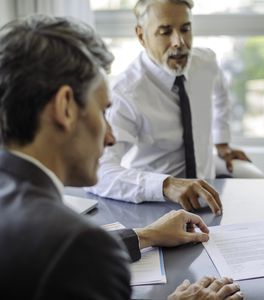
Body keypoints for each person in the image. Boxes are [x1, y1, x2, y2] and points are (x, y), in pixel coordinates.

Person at [0, 15, 243, 299]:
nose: (111, 136)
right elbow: (74, 252)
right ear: (65, 107)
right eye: (103, 111)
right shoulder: (78, 246)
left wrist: (146, 235)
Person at [87, 0, 254, 215]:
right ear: (141, 36)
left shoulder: (206, 62)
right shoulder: (125, 93)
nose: (180, 42)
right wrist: (165, 185)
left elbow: (220, 95)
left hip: (209, 203)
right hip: (153, 209)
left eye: (185, 29)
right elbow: (99, 173)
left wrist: (222, 142)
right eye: (165, 32)